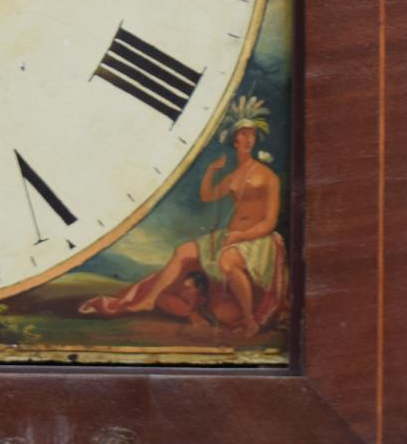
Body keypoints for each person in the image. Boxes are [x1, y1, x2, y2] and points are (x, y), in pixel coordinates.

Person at [81, 97, 286, 339]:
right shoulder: (233, 176)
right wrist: (210, 171)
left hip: (257, 240)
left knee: (227, 263)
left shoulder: (268, 176)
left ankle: (250, 320)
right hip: (230, 236)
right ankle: (148, 300)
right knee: (182, 251)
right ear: (235, 139)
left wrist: (243, 235)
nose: (249, 138)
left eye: (252, 133)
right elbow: (208, 195)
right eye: (244, 133)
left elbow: (270, 221)